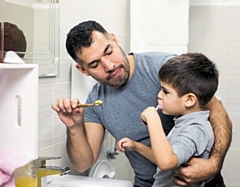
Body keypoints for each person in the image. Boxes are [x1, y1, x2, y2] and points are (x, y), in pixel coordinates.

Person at [51, 20, 232, 187]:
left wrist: (213, 164)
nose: (109, 65)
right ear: (83, 70)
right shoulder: (96, 101)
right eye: (95, 64)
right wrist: (74, 127)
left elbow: (219, 114)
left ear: (115, 40)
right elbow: (83, 164)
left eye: (109, 51)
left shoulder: (163, 68)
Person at [118, 53, 218, 187]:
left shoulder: (196, 129)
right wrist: (136, 146)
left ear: (189, 100)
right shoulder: (184, 122)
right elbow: (163, 158)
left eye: (165, 91)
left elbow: (166, 162)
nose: (159, 96)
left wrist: (154, 120)